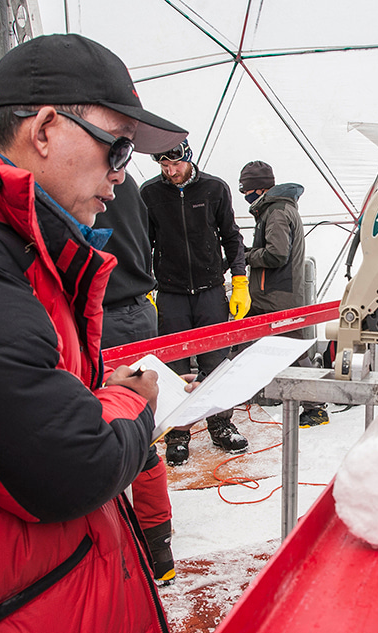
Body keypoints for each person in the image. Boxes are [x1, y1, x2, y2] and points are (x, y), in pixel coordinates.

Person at [0, 33, 188, 632]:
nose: (122, 176)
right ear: (44, 129)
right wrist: (133, 400)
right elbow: (74, 464)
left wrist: (93, 395)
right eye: (117, 149)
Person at [141, 141, 250, 460]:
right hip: (171, 292)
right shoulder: (150, 194)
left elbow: (231, 236)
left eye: (175, 165)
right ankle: (178, 432)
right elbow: (144, 243)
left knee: (214, 361)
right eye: (164, 167)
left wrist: (240, 279)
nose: (170, 172)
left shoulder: (214, 188)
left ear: (188, 159)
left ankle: (221, 426)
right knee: (175, 365)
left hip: (210, 291)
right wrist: (146, 284)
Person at [95, 173, 176, 585]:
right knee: (142, 435)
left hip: (104, 316)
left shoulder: (79, 181)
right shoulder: (128, 185)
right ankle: (159, 551)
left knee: (112, 432)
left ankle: (137, 555)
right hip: (140, 310)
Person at [238, 160, 328, 427]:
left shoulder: (276, 211)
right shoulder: (277, 208)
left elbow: (277, 254)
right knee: (244, 343)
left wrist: (246, 256)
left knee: (295, 353)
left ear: (259, 188)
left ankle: (317, 407)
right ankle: (236, 399)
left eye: (247, 190)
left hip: (277, 296)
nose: (245, 196)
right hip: (273, 294)